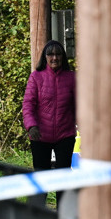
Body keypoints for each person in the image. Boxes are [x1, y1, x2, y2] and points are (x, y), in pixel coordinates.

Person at [22, 40, 77, 173]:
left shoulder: (72, 78)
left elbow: (79, 105)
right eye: (50, 54)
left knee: (63, 176)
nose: (54, 58)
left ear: (63, 57)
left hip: (65, 135)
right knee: (42, 176)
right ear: (45, 57)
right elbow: (28, 104)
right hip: (40, 135)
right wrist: (31, 126)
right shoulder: (36, 77)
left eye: (58, 54)